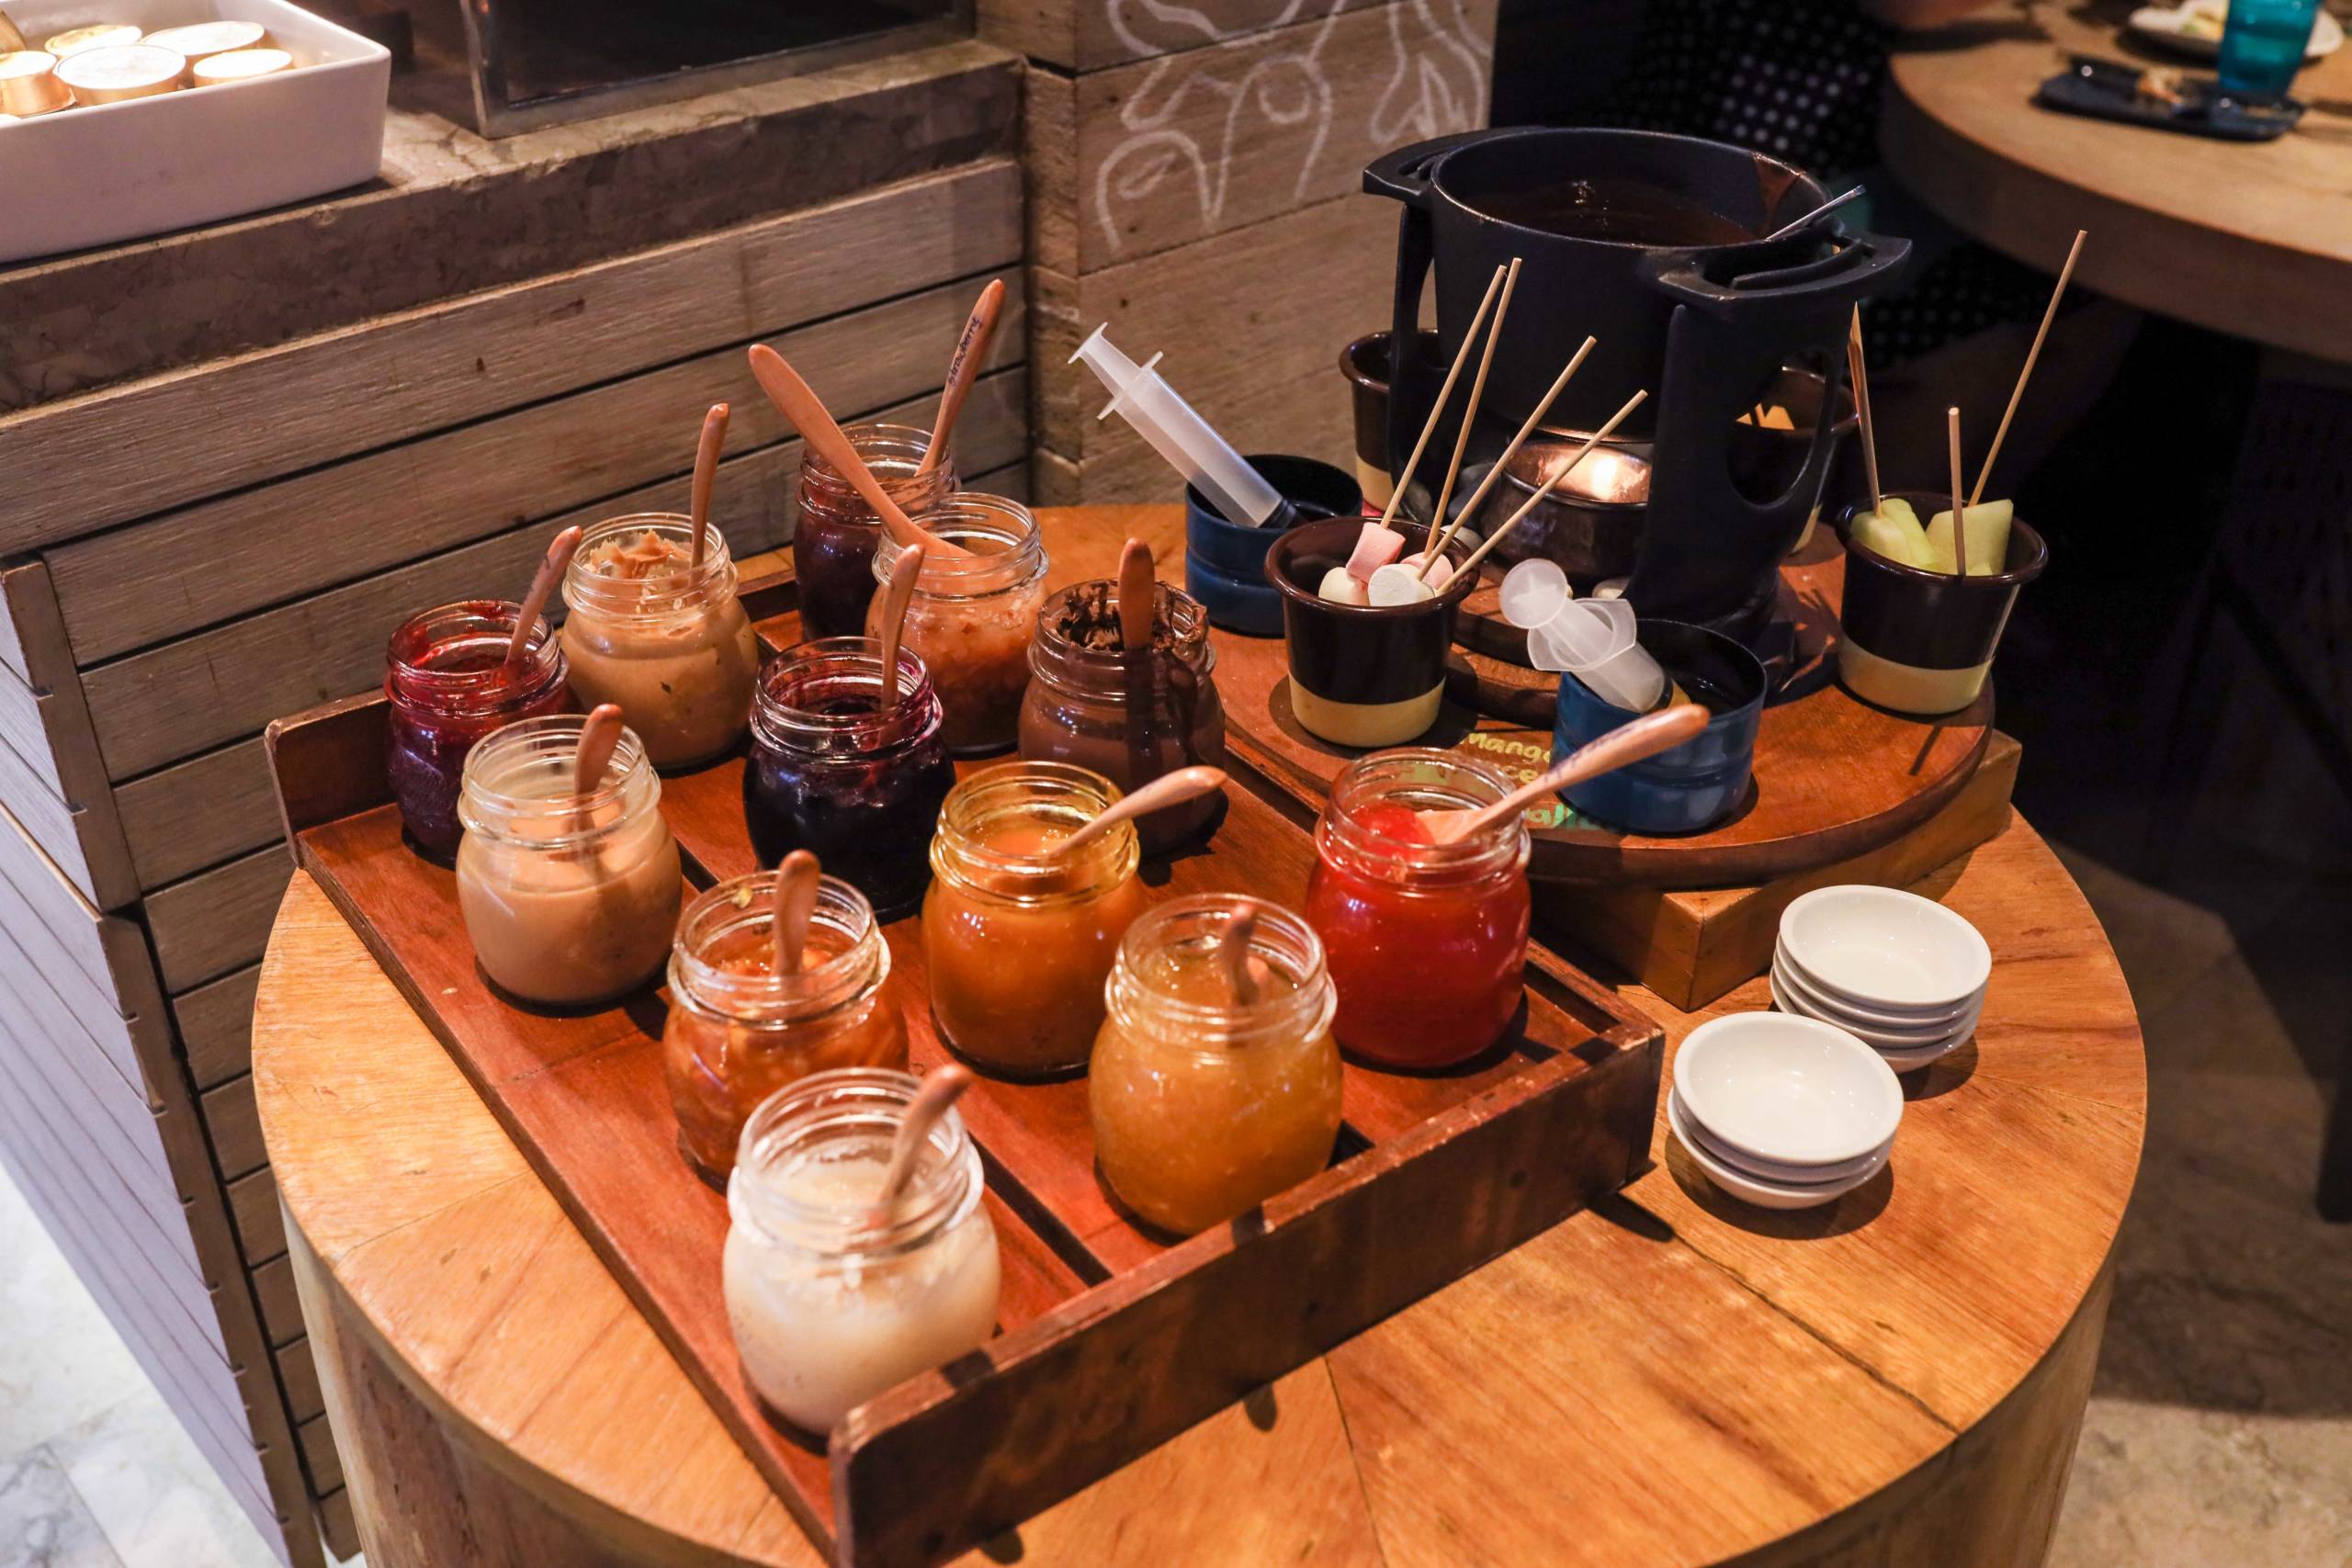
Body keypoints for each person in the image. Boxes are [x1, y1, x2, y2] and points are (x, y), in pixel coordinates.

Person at [1594, 0, 2140, 489]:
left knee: (2095, 289)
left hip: (1870, 145)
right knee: (1999, 331)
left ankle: (1923, 541)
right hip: (1748, 148)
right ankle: (1861, 540)